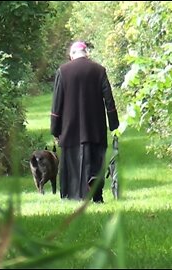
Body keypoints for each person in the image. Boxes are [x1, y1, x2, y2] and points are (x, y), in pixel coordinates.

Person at [50, 41, 119, 203]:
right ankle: (96, 195)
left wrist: (55, 128)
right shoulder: (99, 70)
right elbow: (109, 99)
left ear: (72, 55)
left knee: (72, 162)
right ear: (87, 53)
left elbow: (56, 103)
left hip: (69, 128)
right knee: (96, 162)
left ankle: (72, 195)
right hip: (95, 128)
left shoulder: (63, 71)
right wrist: (114, 124)